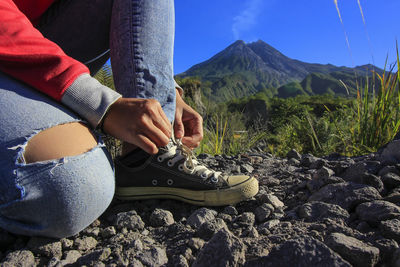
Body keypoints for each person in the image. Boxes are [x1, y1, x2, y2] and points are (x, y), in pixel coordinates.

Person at [0, 0, 259, 238]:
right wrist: (100, 103)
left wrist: (165, 94)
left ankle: (146, 157)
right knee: (72, 187)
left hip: (37, 37)